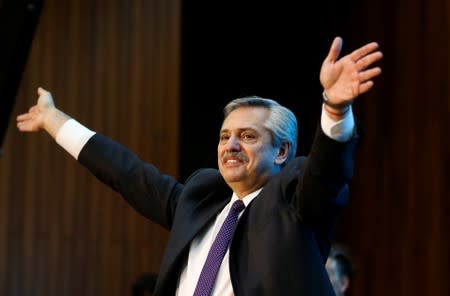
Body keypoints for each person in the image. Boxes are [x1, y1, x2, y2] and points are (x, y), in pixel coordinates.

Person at [16, 36, 382, 295]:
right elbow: (125, 173)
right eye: (225, 137)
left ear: (282, 152)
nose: (231, 146)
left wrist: (334, 108)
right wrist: (54, 121)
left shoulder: (295, 200)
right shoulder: (201, 200)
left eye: (248, 137)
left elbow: (327, 170)